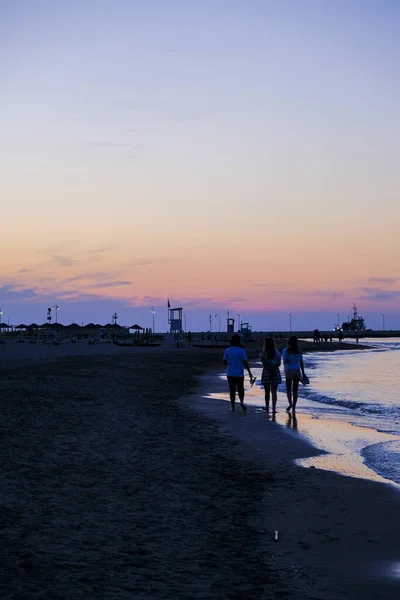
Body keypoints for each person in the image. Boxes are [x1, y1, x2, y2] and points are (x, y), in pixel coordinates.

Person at [223, 334, 254, 412]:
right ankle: (241, 402)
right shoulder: (241, 351)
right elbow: (245, 363)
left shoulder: (227, 350)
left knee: (232, 390)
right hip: (239, 373)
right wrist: (250, 373)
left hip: (230, 373)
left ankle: (233, 406)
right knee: (240, 389)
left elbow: (224, 362)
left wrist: (230, 362)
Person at [282, 336, 306, 413]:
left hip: (289, 370)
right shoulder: (299, 351)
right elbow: (301, 362)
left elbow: (285, 361)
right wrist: (303, 373)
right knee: (295, 390)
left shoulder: (286, 350)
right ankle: (294, 407)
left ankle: (290, 403)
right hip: (297, 370)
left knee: (288, 388)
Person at [260, 337, 282, 413]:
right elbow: (279, 363)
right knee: (274, 391)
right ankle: (274, 408)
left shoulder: (263, 353)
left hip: (266, 372)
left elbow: (264, 364)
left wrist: (269, 369)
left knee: (267, 392)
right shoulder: (277, 353)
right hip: (275, 371)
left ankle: (267, 407)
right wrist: (273, 368)